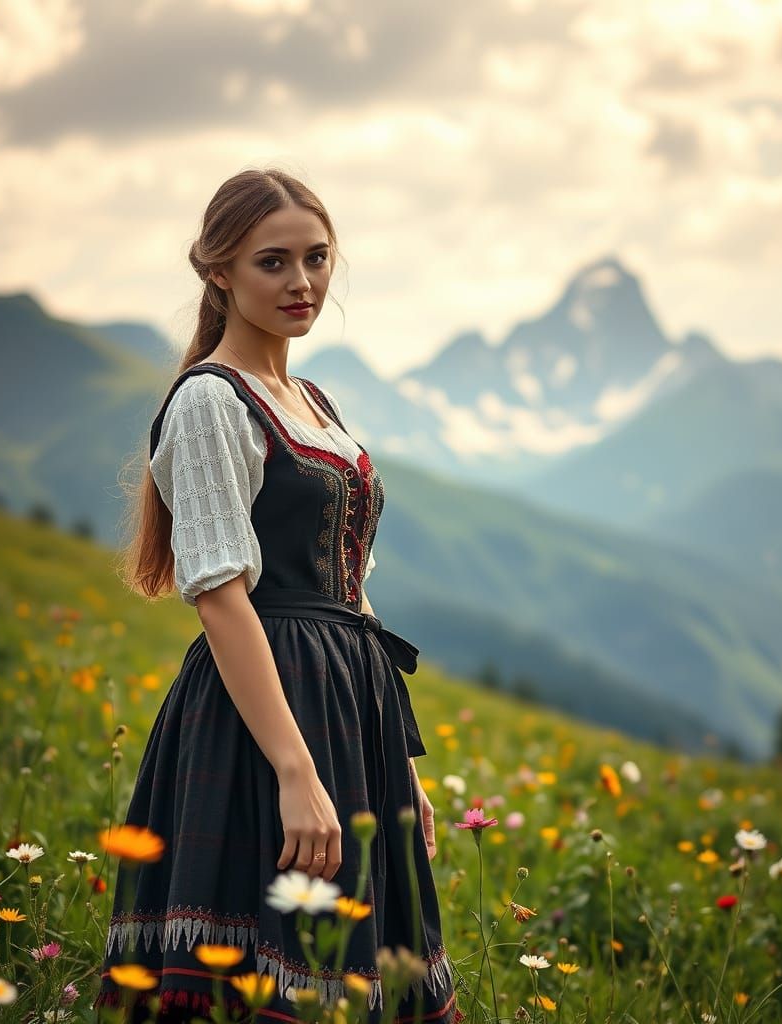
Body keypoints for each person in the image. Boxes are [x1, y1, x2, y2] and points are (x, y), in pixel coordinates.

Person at [94, 167, 461, 1023]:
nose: (302, 283)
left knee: (361, 960)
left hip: (351, 702)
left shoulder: (313, 402)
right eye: (273, 263)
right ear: (219, 273)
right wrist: (293, 769)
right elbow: (222, 598)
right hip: (266, 707)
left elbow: (352, 592)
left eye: (316, 259)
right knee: (269, 957)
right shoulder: (211, 403)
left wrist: (403, 764)